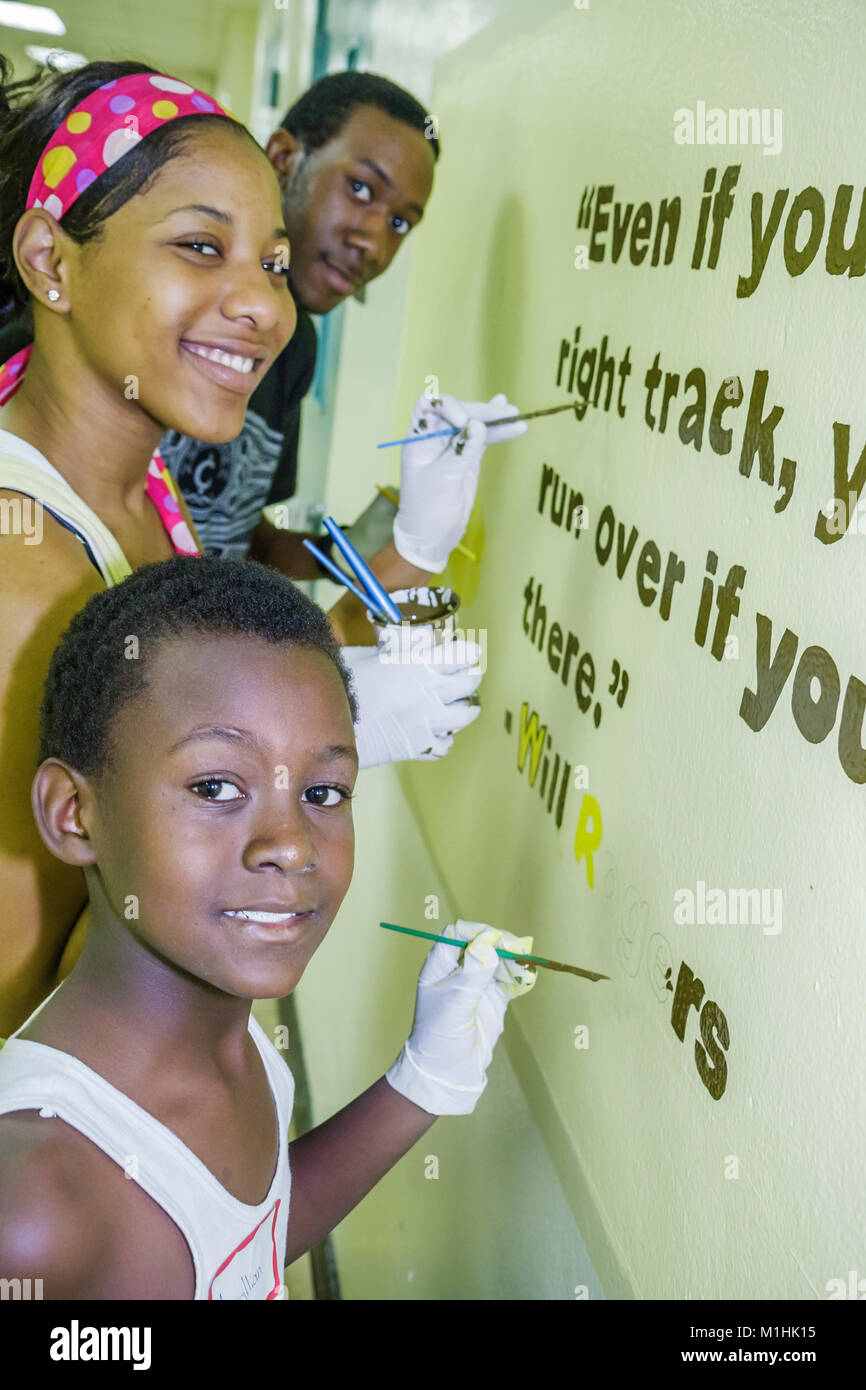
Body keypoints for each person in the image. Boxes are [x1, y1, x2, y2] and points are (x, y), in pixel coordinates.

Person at [0, 555, 536, 1299]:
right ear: (73, 813)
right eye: (216, 786)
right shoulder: (32, 1209)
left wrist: (422, 1083)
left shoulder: (237, 1035)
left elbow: (245, 1241)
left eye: (323, 790)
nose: (290, 844)